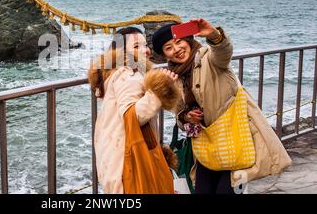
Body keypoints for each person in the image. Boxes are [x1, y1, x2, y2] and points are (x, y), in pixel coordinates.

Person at [151, 18, 292, 194]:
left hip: (236, 139)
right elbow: (178, 116)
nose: (176, 50)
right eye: (168, 48)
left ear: (187, 40)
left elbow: (223, 53)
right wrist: (186, 117)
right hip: (206, 147)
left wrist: (215, 36)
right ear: (164, 55)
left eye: (178, 42)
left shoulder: (209, 59)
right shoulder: (174, 77)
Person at [87, 27, 181, 194]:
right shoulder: (128, 73)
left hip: (114, 159)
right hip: (128, 162)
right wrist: (162, 87)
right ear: (122, 51)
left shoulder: (116, 72)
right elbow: (134, 116)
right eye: (137, 46)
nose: (145, 50)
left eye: (145, 45)